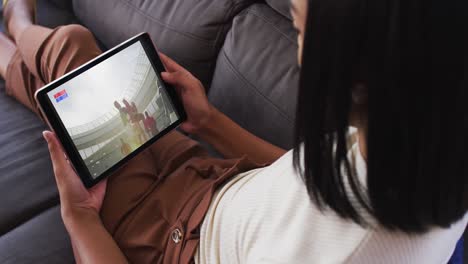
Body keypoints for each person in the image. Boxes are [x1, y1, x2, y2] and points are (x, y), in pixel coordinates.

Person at [0, 0, 466, 263]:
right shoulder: (423, 141)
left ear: (355, 72)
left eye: (299, 31)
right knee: (78, 83)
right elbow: (303, 181)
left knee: (71, 50)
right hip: (213, 180)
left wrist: (80, 217)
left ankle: (15, 26)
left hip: (168, 239)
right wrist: (211, 123)